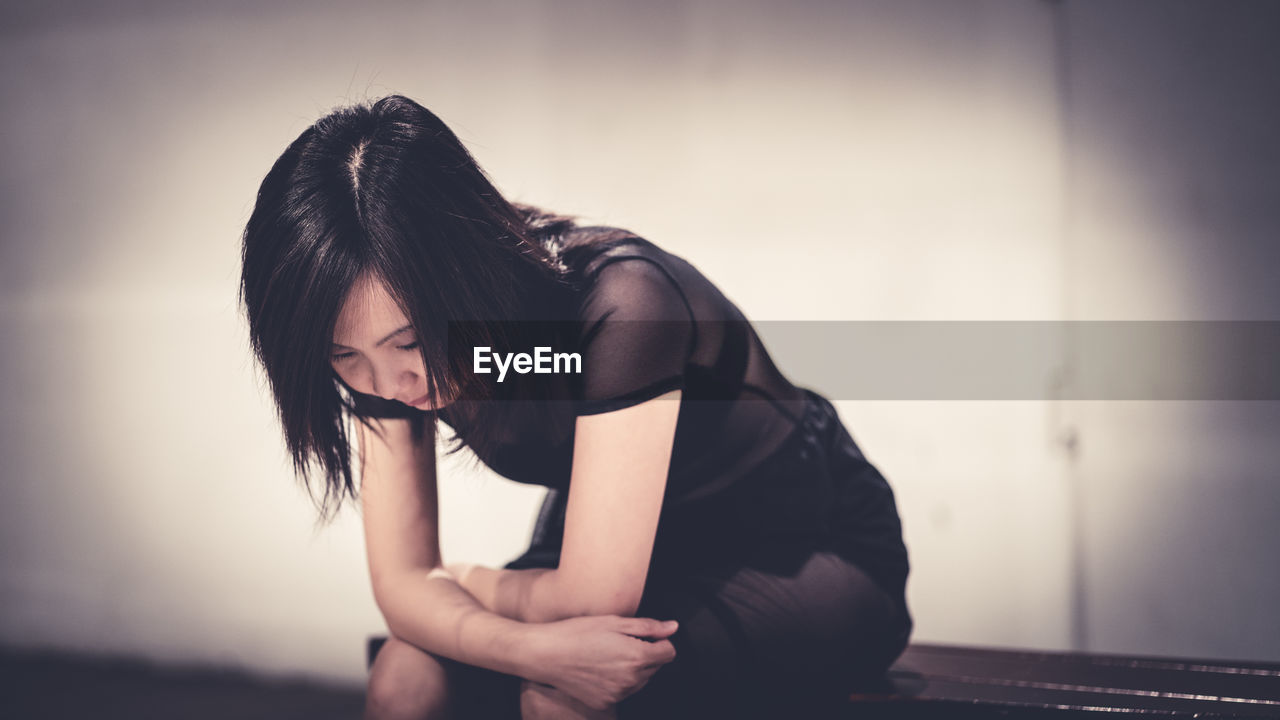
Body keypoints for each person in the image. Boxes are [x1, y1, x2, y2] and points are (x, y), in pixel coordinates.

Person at [240, 94, 912, 719]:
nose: (387, 383)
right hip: (600, 550)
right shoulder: (384, 358)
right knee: (402, 677)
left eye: (409, 342)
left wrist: (466, 581)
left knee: (562, 703)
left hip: (790, 541)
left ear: (459, 273)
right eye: (342, 357)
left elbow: (588, 598)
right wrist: (515, 636)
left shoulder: (619, 307)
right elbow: (401, 585)